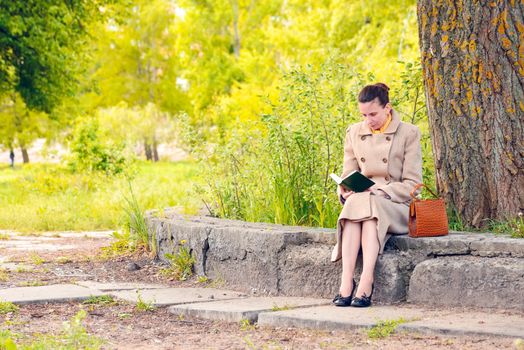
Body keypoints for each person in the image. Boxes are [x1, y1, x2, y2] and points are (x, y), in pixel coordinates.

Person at [331, 83, 422, 307]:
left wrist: (380, 190)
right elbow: (348, 173)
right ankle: (348, 281)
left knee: (367, 203)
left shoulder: (408, 132)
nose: (368, 120)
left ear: (387, 108)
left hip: (396, 203)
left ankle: (366, 278)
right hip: (363, 200)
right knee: (360, 202)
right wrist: (344, 188)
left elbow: (413, 184)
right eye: (363, 115)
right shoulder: (354, 132)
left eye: (373, 114)